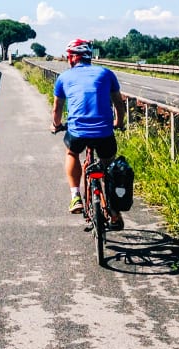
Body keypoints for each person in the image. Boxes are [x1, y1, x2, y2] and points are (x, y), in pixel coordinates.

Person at [51, 38, 127, 228]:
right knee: (109, 165)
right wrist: (119, 123)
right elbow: (118, 103)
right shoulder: (106, 73)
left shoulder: (64, 78)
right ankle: (113, 209)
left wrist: (56, 125)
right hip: (104, 132)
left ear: (71, 58)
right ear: (89, 57)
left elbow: (57, 108)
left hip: (77, 131)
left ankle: (75, 196)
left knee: (72, 152)